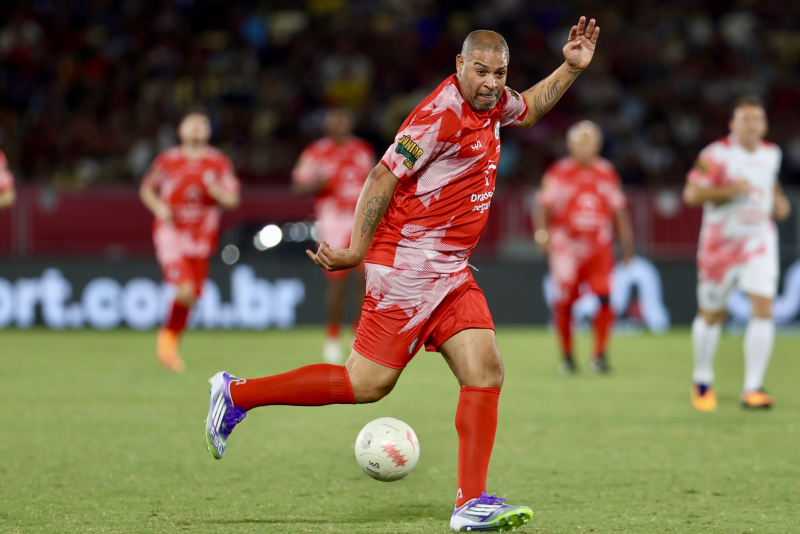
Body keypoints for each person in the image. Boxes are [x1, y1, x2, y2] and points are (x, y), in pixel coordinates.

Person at [205, 17, 600, 532]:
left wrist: (570, 68)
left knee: (485, 371)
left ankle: (470, 503)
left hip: (451, 270)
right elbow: (381, 176)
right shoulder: (437, 115)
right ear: (459, 66)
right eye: (480, 71)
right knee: (365, 383)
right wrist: (356, 249)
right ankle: (235, 395)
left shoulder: (495, 102)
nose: (491, 82)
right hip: (406, 268)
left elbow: (529, 107)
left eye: (499, 73)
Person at [683, 96, 791, 411]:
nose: (752, 124)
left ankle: (753, 387)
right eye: (745, 119)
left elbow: (768, 183)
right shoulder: (715, 155)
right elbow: (692, 194)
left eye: (757, 119)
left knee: (764, 308)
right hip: (720, 249)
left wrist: (779, 200)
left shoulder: (773, 154)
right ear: (732, 125)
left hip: (759, 242)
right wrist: (730, 190)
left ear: (765, 124)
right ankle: (702, 378)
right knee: (712, 314)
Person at [140, 108, 241, 372]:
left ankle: (170, 343)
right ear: (180, 131)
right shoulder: (167, 160)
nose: (197, 128)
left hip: (201, 238)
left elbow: (233, 199)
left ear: (209, 131)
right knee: (184, 289)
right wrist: (160, 208)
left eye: (202, 124)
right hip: (171, 234)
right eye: (191, 124)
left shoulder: (218, 162)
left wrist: (216, 191)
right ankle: (167, 347)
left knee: (192, 296)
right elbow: (146, 189)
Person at [533, 121, 634, 374]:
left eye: (590, 141)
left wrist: (627, 245)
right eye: (581, 141)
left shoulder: (606, 171)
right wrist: (542, 236)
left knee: (605, 297)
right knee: (565, 303)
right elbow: (542, 207)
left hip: (599, 246)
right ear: (570, 145)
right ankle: (567, 358)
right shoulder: (559, 172)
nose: (586, 147)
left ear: (598, 145)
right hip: (567, 247)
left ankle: (598, 356)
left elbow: (619, 211)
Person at [292, 108, 375, 364]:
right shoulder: (315, 153)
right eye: (334, 120)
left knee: (365, 279)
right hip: (333, 222)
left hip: (360, 221)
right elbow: (297, 186)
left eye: (344, 119)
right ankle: (332, 336)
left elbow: (375, 182)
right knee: (337, 282)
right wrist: (317, 183)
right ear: (327, 125)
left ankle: (357, 335)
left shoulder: (362, 150)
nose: (340, 124)